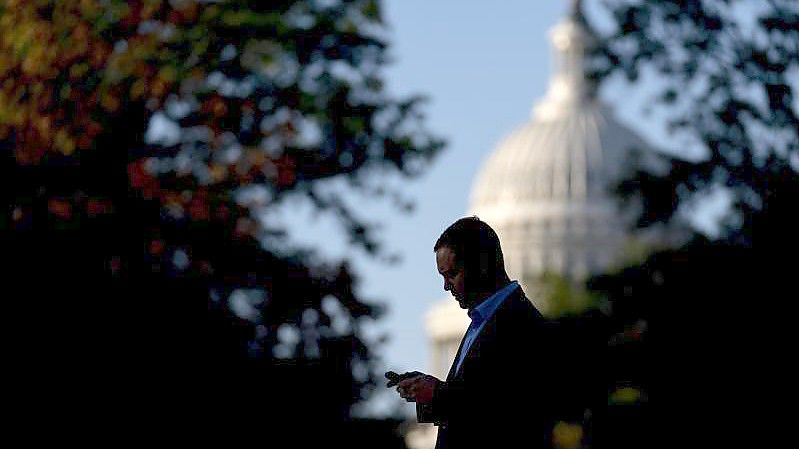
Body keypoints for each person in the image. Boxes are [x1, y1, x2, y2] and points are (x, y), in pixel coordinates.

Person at [388, 217, 563, 449]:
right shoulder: (482, 321)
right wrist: (428, 391)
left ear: (481, 267)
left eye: (451, 275)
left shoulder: (522, 324)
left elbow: (507, 412)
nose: (446, 286)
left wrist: (438, 394)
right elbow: (474, 395)